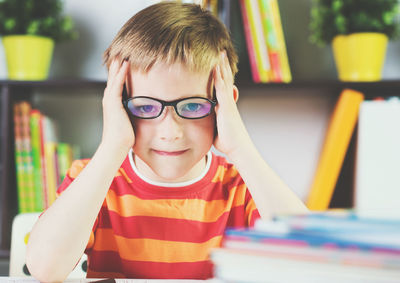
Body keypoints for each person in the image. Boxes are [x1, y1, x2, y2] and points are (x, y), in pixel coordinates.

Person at [26, 2, 308, 281]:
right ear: (118, 106)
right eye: (146, 107)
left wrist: (241, 148)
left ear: (224, 107)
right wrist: (112, 147)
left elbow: (309, 263)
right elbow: (45, 269)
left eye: (193, 106)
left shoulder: (242, 188)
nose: (170, 132)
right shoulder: (95, 180)